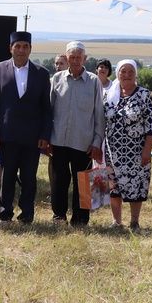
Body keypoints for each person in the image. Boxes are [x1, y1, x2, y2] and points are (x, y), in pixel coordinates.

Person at [0, 31, 53, 225]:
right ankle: (4, 214)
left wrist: (44, 134)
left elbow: (46, 108)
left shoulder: (41, 73)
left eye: (25, 46)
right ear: (11, 48)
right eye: (18, 46)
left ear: (30, 49)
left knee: (29, 178)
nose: (21, 50)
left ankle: (27, 216)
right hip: (6, 135)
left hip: (32, 137)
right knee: (7, 176)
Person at [48, 41, 104, 226]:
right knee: (58, 181)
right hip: (59, 140)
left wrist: (97, 142)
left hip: (84, 142)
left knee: (83, 181)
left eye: (78, 57)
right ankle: (59, 216)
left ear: (85, 59)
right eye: (71, 57)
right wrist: (47, 137)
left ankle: (81, 219)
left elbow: (99, 114)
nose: (75, 60)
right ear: (66, 57)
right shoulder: (57, 79)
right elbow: (49, 110)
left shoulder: (94, 81)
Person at [103, 59, 152, 231]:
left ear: (135, 74)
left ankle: (134, 221)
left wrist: (147, 151)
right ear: (117, 74)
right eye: (123, 72)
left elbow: (151, 125)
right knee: (114, 187)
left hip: (136, 151)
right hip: (112, 150)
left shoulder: (144, 94)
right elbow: (101, 121)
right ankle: (116, 221)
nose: (126, 75)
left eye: (130, 72)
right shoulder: (109, 95)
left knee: (136, 186)